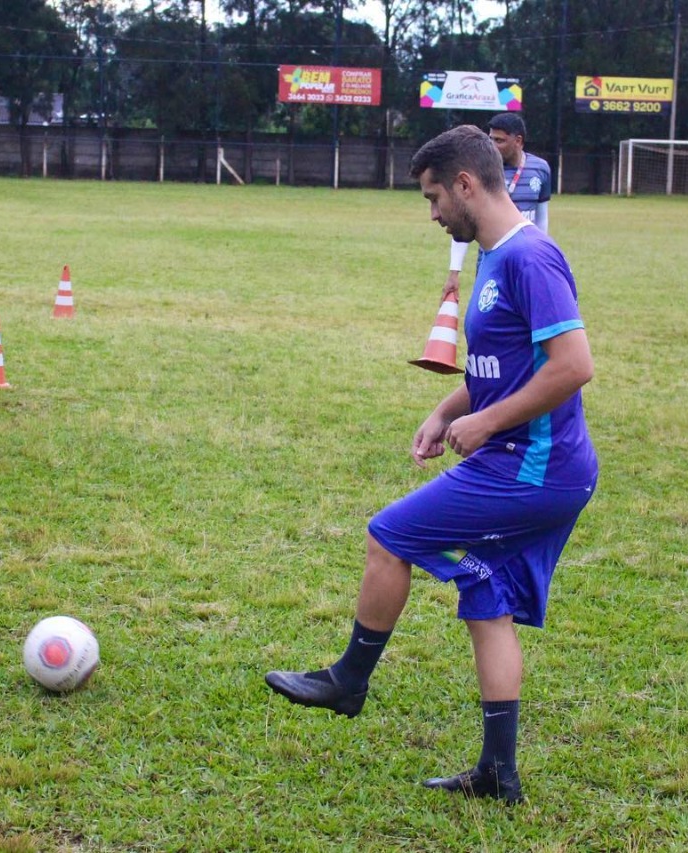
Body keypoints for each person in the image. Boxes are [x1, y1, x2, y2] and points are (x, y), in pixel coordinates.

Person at [265, 125, 597, 804]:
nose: (433, 212)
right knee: (488, 598)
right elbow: (505, 368)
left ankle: (349, 679)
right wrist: (449, 409)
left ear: (467, 184)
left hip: (534, 466)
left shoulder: (531, 259)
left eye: (433, 196)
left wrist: (487, 421)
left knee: (389, 534)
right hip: (528, 458)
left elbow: (573, 367)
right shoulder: (493, 255)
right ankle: (499, 774)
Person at [441, 112, 551, 302]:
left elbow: (541, 217)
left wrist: (542, 253)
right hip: (490, 261)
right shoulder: (480, 172)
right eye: (490, 139)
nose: (492, 146)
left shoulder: (541, 169)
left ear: (518, 141)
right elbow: (464, 219)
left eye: (499, 140)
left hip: (526, 261)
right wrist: (454, 272)